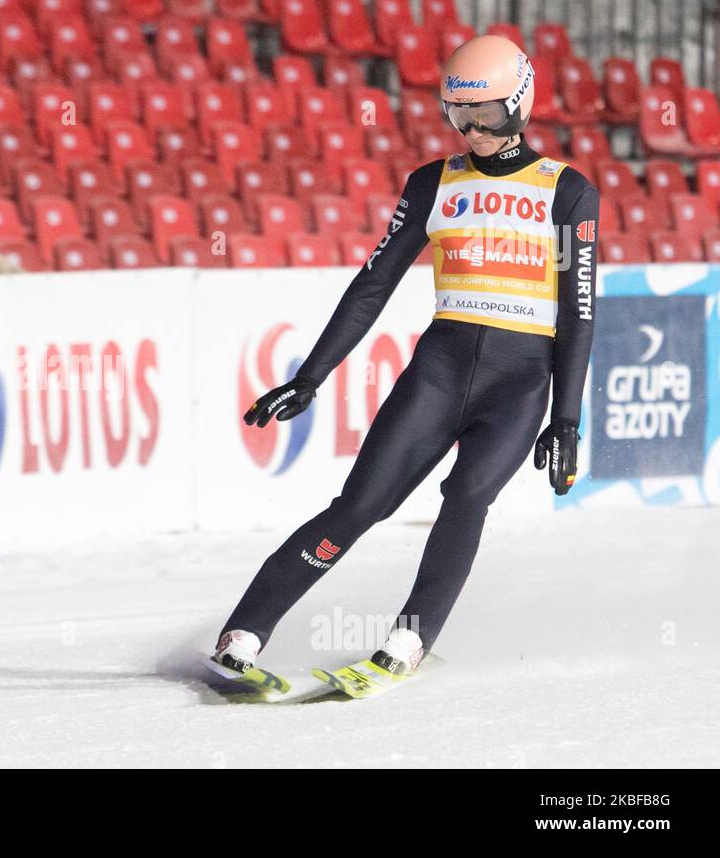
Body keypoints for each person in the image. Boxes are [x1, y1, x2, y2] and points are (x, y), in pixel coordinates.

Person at [213, 35, 600, 677]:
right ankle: (243, 633)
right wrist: (311, 377)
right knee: (359, 507)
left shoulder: (567, 193)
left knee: (467, 496)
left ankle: (409, 640)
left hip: (519, 385)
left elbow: (580, 313)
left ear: (522, 105)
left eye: (489, 117)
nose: (474, 131)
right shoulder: (433, 184)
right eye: (459, 117)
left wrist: (566, 419)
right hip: (440, 375)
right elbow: (372, 285)